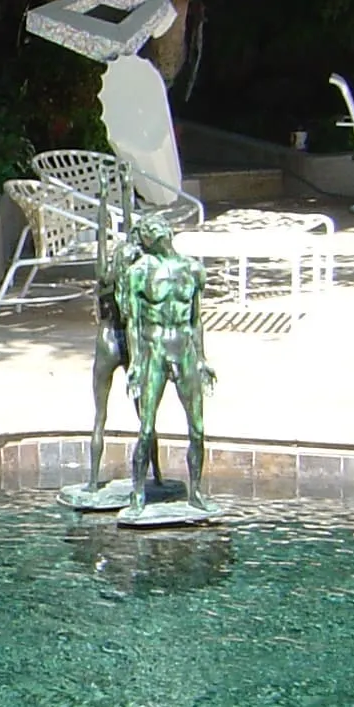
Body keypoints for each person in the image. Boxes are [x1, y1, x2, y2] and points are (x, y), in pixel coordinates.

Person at [121, 214, 213, 511]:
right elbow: (132, 323)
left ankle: (196, 492)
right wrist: (134, 363)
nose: (154, 232)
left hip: (184, 348)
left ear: (169, 230)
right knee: (146, 427)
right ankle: (138, 495)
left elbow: (197, 320)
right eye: (147, 230)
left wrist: (202, 359)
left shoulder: (194, 269)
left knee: (197, 428)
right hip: (154, 350)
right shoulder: (139, 272)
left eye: (157, 226)